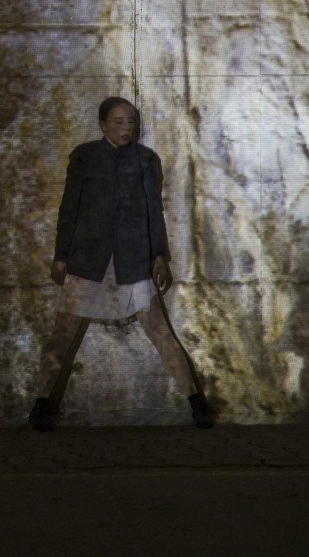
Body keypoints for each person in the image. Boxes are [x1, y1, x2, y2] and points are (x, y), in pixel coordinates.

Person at [28, 96, 213, 430]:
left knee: (160, 331)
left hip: (131, 257)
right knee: (62, 334)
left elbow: (152, 211)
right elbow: (69, 209)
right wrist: (61, 256)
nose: (125, 127)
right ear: (102, 124)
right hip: (89, 259)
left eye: (130, 121)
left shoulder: (145, 160)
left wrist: (158, 254)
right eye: (117, 121)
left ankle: (196, 402)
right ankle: (41, 404)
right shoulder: (84, 157)